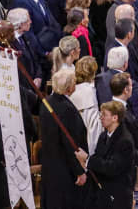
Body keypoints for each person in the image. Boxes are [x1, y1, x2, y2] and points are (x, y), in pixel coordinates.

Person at [39, 66, 89, 208]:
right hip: (65, 170)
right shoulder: (66, 108)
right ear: (69, 87)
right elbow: (69, 143)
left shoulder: (47, 102)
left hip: (50, 164)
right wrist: (79, 171)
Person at [87, 100, 138, 209]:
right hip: (103, 191)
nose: (101, 117)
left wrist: (88, 160)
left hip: (118, 194)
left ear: (115, 118)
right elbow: (98, 157)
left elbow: (112, 168)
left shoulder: (125, 141)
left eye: (104, 115)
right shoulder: (103, 136)